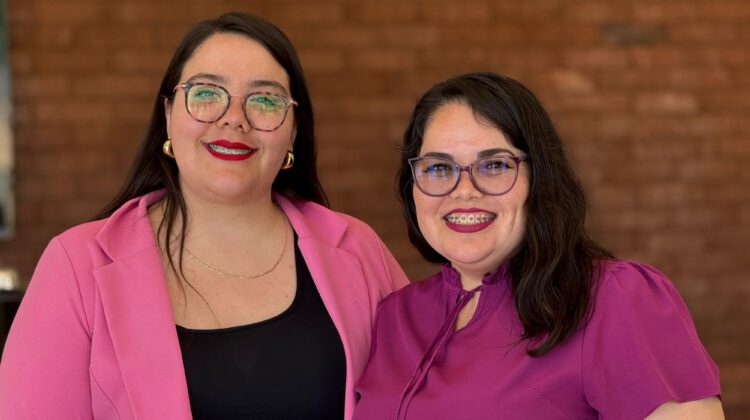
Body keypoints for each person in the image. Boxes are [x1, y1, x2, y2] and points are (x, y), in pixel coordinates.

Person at [0, 12, 408, 419]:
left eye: (265, 100)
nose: (234, 119)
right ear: (168, 115)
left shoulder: (358, 250)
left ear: (293, 132)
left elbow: (428, 392)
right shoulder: (76, 267)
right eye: (206, 93)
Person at [352, 72, 723, 420]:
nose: (463, 191)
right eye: (438, 168)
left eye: (494, 166)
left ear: (539, 178)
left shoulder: (613, 298)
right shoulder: (395, 315)